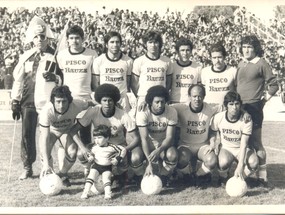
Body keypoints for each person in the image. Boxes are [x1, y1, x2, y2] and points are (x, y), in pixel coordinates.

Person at [11, 20, 62, 180]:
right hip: (27, 102)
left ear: (47, 38)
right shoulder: (26, 57)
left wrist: (55, 77)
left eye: (42, 36)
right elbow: (18, 80)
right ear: (32, 39)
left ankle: (47, 166)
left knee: (46, 135)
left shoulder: (55, 56)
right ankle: (27, 167)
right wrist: (15, 100)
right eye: (37, 37)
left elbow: (63, 79)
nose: (40, 39)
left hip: (46, 103)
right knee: (27, 135)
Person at [70, 83, 140, 188]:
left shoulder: (123, 114)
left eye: (110, 100)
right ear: (99, 101)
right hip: (99, 147)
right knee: (81, 153)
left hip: (117, 148)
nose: (107, 103)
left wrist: (124, 150)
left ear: (115, 101)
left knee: (121, 169)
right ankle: (90, 171)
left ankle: (119, 174)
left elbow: (136, 138)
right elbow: (73, 131)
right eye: (104, 100)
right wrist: (83, 148)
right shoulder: (93, 111)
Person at [236, 35, 279, 186]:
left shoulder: (261, 63)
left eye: (250, 47)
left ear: (255, 49)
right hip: (238, 107)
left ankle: (262, 176)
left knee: (256, 142)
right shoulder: (241, 63)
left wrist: (263, 101)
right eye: (244, 47)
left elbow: (274, 85)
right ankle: (245, 171)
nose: (246, 50)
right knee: (241, 142)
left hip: (254, 107)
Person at [39, 85, 95, 186]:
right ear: (53, 101)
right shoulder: (46, 111)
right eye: (58, 102)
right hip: (51, 131)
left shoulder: (77, 104)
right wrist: (46, 164)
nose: (61, 105)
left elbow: (91, 103)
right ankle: (49, 173)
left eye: (64, 101)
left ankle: (62, 174)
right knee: (45, 152)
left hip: (66, 130)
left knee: (72, 152)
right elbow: (45, 137)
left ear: (69, 100)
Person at [56, 25, 98, 147]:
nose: (74, 41)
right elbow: (60, 77)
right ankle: (65, 163)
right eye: (72, 38)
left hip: (85, 99)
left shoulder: (92, 54)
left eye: (77, 38)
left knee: (85, 135)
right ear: (67, 40)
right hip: (68, 100)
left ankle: (87, 166)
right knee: (65, 134)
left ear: (83, 39)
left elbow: (95, 79)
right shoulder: (62, 55)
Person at [171, 84, 220, 187]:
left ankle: (198, 175)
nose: (197, 99)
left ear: (204, 96)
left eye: (200, 96)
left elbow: (228, 106)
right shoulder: (181, 107)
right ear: (189, 97)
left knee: (212, 160)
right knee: (180, 159)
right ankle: (187, 175)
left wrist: (243, 111)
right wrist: (146, 102)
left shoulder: (210, 108)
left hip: (202, 145)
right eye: (194, 96)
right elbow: (164, 107)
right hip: (185, 145)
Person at [210, 91, 259, 186]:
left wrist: (240, 165)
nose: (234, 107)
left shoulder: (246, 120)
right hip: (227, 148)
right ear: (226, 105)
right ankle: (223, 177)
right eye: (231, 104)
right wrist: (213, 143)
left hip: (241, 148)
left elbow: (244, 144)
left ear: (240, 105)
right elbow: (212, 132)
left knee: (254, 162)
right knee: (223, 162)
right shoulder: (218, 117)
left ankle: (239, 178)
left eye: (237, 104)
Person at [136, 85, 178, 186]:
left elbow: (169, 137)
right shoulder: (143, 113)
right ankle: (138, 176)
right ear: (150, 102)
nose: (160, 105)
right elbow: (144, 138)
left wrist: (159, 150)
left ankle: (164, 175)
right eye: (157, 102)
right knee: (135, 157)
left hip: (164, 145)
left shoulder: (171, 111)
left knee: (172, 156)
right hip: (149, 144)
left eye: (162, 102)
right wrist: (149, 163)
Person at [81, 125, 127, 200]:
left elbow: (123, 150)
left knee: (106, 179)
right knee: (91, 176)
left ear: (107, 138)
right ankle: (85, 192)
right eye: (95, 138)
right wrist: (91, 157)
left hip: (107, 168)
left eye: (99, 138)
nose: (96, 140)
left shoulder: (112, 147)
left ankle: (108, 195)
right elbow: (90, 153)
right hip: (96, 166)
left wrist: (117, 159)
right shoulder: (94, 147)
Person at [131, 30, 173, 111]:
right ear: (145, 44)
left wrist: (162, 94)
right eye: (150, 42)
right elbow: (134, 83)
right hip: (144, 97)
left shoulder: (167, 61)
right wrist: (142, 96)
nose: (153, 45)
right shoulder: (139, 61)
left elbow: (168, 82)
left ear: (159, 44)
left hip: (160, 98)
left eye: (156, 42)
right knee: (142, 122)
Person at [92, 31, 133, 111]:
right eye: (112, 42)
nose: (115, 45)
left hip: (121, 101)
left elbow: (128, 83)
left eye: (117, 42)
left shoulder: (128, 61)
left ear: (121, 44)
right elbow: (96, 83)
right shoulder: (98, 60)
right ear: (106, 45)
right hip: (105, 100)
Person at [170, 37, 201, 104]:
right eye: (182, 50)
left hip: (191, 103)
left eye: (187, 50)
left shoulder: (197, 67)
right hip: (175, 102)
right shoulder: (172, 66)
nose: (185, 53)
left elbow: (199, 88)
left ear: (191, 51)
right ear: (178, 52)